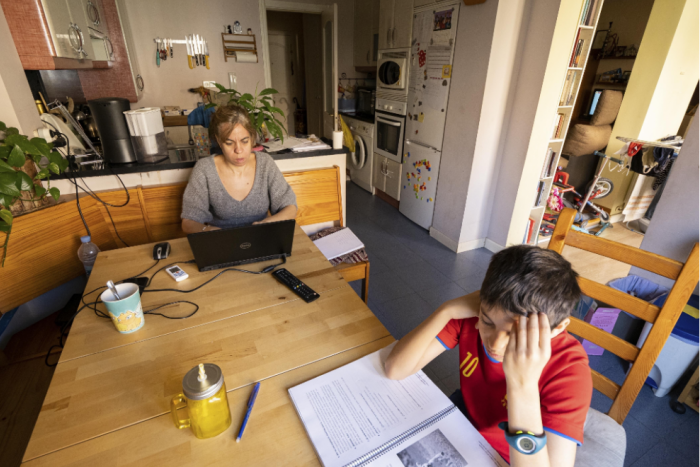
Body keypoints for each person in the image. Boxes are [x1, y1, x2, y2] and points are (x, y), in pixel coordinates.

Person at [384, 245, 592, 467]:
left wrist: (523, 385)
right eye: (487, 322)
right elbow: (395, 369)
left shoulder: (570, 371)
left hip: (507, 455)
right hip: (464, 416)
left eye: (515, 334)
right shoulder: (480, 313)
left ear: (557, 328)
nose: (495, 343)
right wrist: (447, 310)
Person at [181, 104, 297, 233]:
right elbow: (188, 222)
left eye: (245, 141)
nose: (239, 150)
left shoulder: (265, 163)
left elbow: (290, 207)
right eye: (229, 143)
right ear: (219, 142)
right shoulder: (204, 169)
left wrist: (266, 224)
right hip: (221, 243)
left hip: (262, 238)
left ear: (252, 138)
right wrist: (210, 232)